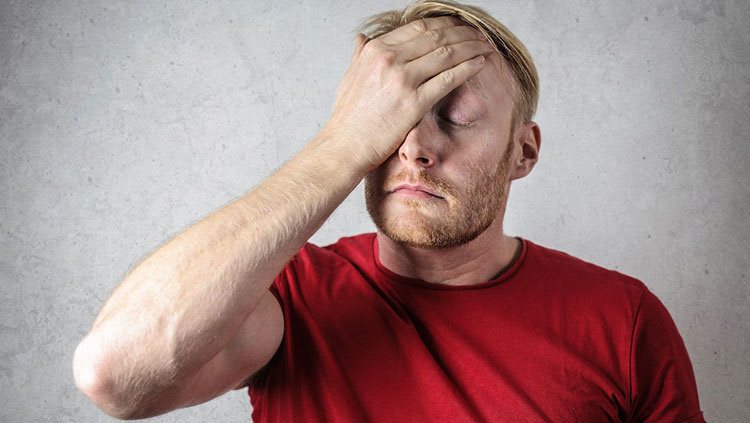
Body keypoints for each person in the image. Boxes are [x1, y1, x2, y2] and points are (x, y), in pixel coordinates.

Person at [73, 1, 705, 421]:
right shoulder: (288, 298)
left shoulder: (624, 319)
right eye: (391, 121)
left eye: (455, 119)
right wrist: (340, 146)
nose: (416, 149)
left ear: (523, 151)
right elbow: (113, 376)